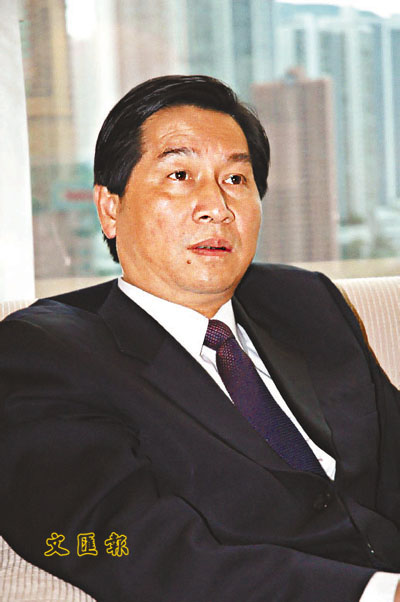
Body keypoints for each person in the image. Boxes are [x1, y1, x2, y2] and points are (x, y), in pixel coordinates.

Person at [1, 74, 400, 602]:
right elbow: (120, 545)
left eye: (236, 179)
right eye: (180, 175)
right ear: (110, 208)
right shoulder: (43, 352)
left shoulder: (305, 302)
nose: (217, 206)